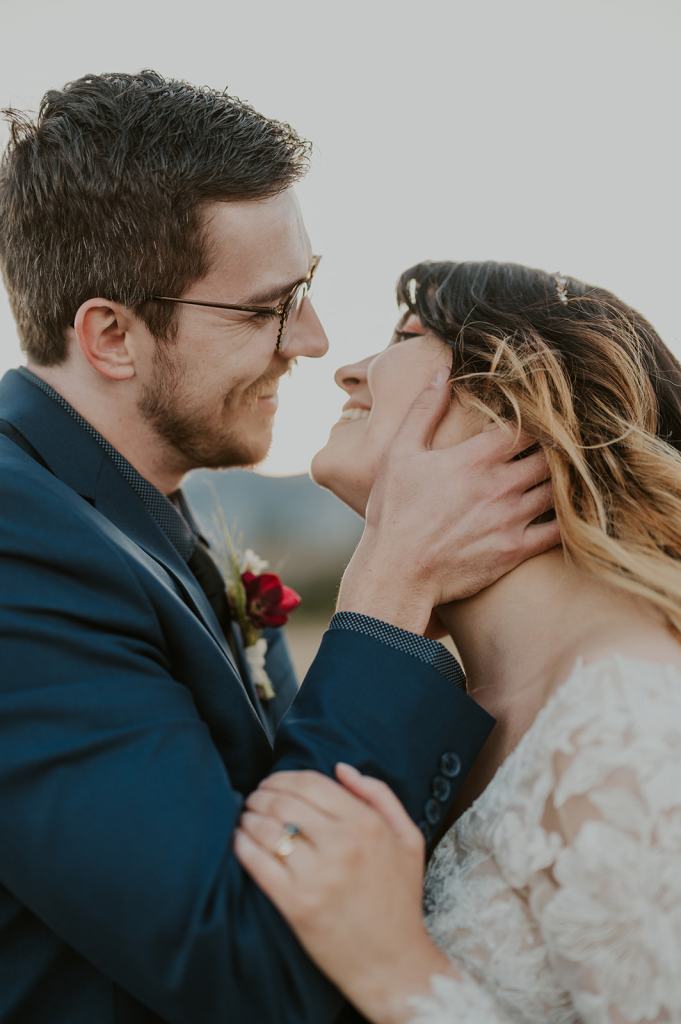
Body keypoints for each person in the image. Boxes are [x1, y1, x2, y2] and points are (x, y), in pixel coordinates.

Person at [0, 75, 559, 1024]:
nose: (312, 338)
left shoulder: (141, 516)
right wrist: (386, 590)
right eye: (268, 306)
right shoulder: (17, 547)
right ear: (112, 337)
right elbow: (243, 961)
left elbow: (275, 792)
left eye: (306, 287)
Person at [235, 260, 681, 1024]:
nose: (346, 371)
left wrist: (397, 973)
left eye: (406, 336)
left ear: (522, 399)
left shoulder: (634, 717)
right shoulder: (458, 712)